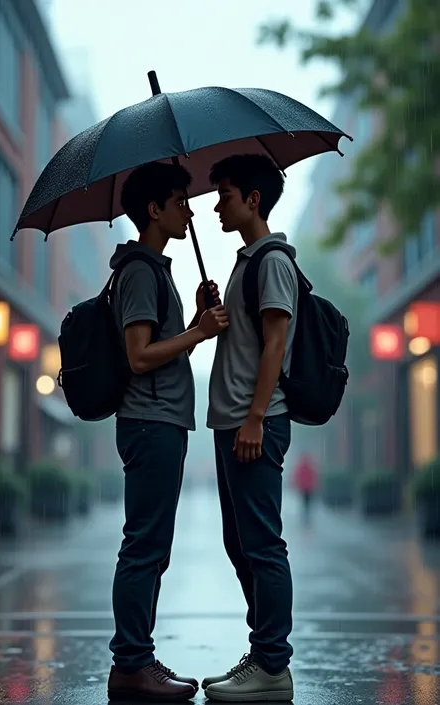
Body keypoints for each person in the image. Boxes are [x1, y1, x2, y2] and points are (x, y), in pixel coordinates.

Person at [107, 161, 228, 702]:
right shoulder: (139, 271)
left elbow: (158, 345)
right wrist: (199, 333)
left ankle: (138, 657)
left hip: (161, 421)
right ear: (153, 210)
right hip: (150, 421)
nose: (191, 207)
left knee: (152, 547)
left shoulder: (154, 269)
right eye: (181, 200)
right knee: (145, 546)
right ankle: (131, 664)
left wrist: (194, 322)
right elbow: (138, 357)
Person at [203, 154, 298, 702]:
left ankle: (273, 666)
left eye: (226, 193)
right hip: (235, 421)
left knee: (262, 545)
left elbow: (276, 344)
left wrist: (256, 417)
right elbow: (246, 341)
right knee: (241, 544)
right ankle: (262, 652)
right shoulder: (248, 262)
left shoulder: (272, 260)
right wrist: (214, 312)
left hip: (253, 422)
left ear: (253, 200)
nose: (218, 205)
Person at [292, 453, 319, 521]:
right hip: (308, 488)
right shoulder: (310, 467)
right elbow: (313, 477)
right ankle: (306, 516)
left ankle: (305, 516)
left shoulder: (301, 467)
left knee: (305, 502)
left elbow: (297, 476)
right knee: (307, 503)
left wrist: (297, 485)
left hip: (304, 488)